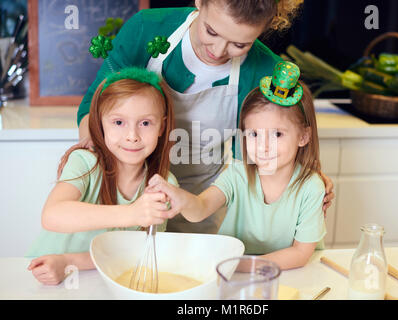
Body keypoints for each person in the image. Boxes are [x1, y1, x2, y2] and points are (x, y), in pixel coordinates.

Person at [77, 0, 334, 234]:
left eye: (239, 45)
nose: (219, 50)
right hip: (123, 193)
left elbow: (252, 160)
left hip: (201, 203)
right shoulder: (147, 28)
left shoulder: (264, 71)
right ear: (200, 2)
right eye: (211, 31)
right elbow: (95, 105)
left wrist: (304, 176)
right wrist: (90, 166)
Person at [147, 61, 326, 270]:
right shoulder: (237, 175)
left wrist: (242, 266)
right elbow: (201, 208)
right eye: (254, 134)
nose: (263, 146)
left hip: (285, 273)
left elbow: (300, 253)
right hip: (235, 273)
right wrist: (179, 197)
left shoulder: (311, 187)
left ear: (303, 136)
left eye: (277, 134)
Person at [26, 67, 178, 285]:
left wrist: (69, 262)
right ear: (100, 124)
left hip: (99, 276)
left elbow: (139, 251)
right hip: (42, 277)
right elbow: (52, 215)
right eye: (118, 122)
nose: (132, 136)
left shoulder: (165, 185)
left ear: (162, 126)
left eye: (145, 123)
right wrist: (131, 213)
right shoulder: (86, 163)